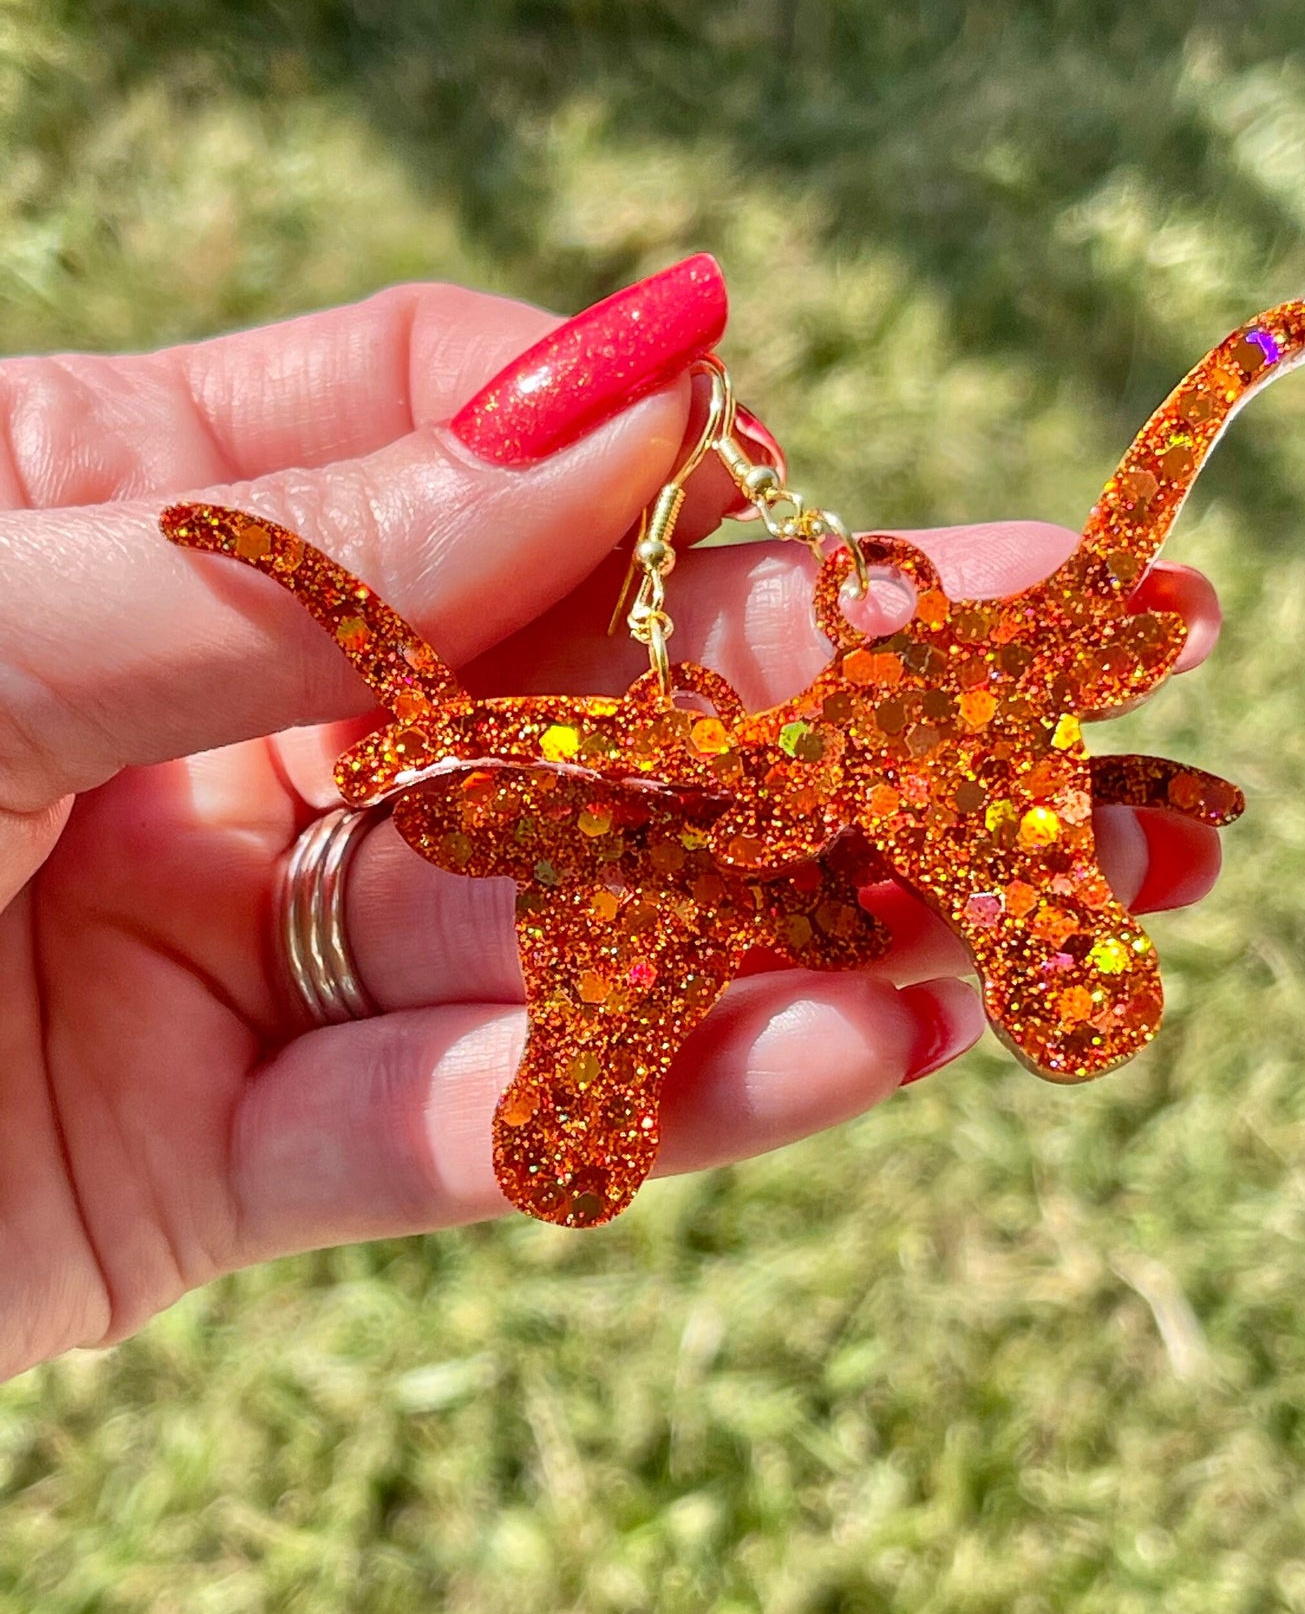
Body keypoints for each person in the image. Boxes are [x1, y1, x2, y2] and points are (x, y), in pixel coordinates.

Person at [0, 255, 1222, 1381]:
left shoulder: (893, 757)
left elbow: (831, 882)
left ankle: (614, 1041)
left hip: (699, 847)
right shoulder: (725, 795)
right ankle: (598, 1054)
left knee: (701, 940)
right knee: (639, 957)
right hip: (644, 868)